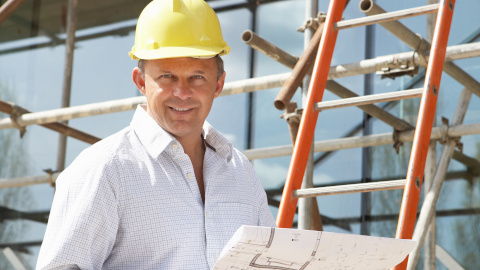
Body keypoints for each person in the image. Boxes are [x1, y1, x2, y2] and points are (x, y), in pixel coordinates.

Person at [36, 0, 276, 269]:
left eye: (197, 77)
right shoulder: (105, 168)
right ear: (141, 82)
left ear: (218, 84)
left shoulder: (240, 172)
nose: (182, 92)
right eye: (167, 76)